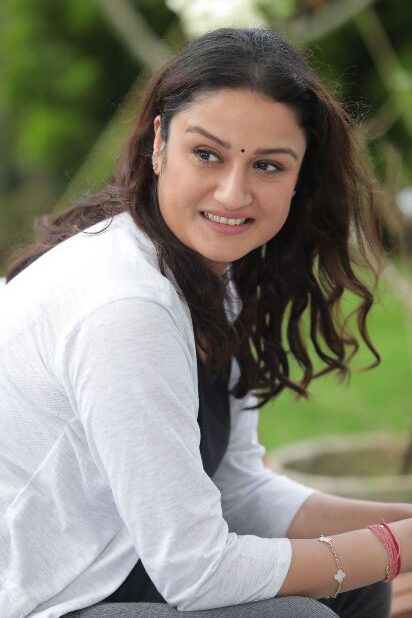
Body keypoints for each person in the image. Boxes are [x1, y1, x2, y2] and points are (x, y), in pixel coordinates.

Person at [0, 26, 410, 618]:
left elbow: (238, 490)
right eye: (207, 154)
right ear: (159, 143)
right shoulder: (127, 307)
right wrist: (393, 548)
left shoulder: (207, 276)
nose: (233, 193)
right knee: (299, 613)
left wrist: (397, 531)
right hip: (36, 594)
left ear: (300, 179)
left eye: (268, 166)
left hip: (113, 560)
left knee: (357, 579)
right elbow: (197, 573)